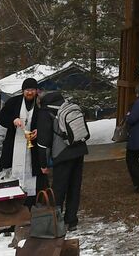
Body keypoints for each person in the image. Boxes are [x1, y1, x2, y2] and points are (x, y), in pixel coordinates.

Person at [0, 78, 54, 202]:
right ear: (23, 91)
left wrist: (39, 130)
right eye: (27, 90)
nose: (29, 93)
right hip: (14, 142)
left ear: (36, 91)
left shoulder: (40, 104)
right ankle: (11, 198)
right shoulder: (13, 102)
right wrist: (13, 120)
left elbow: (48, 121)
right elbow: (1, 118)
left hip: (32, 146)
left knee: (33, 173)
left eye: (32, 90)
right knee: (10, 170)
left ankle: (33, 200)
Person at [41, 90, 89, 233]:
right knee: (75, 186)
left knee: (59, 188)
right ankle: (72, 220)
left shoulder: (46, 112)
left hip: (62, 153)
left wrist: (43, 163)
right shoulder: (70, 106)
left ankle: (56, 221)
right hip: (79, 150)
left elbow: (44, 141)